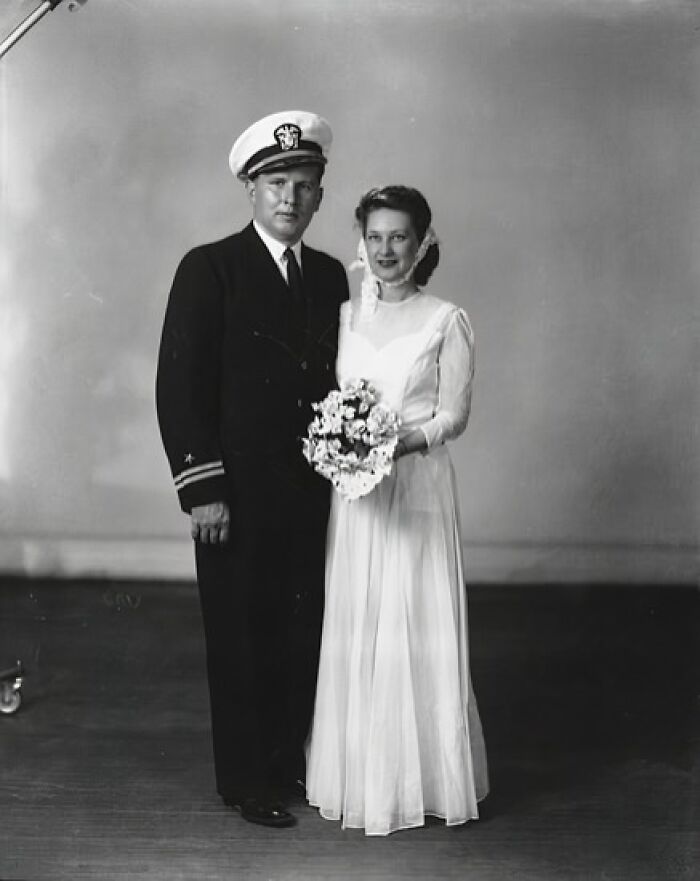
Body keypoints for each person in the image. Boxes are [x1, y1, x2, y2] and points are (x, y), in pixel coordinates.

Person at [156, 110, 349, 828]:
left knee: (302, 630)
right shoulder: (211, 268)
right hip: (234, 494)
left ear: (321, 195)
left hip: (314, 493)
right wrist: (203, 489)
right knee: (241, 634)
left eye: (303, 184)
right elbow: (180, 386)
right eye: (275, 182)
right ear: (249, 188)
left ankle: (285, 762)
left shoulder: (331, 276)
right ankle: (245, 780)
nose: (290, 197)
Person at [305, 185, 489, 836]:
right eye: (375, 237)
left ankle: (423, 782)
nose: (386, 250)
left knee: (414, 618)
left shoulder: (447, 318)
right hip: (357, 496)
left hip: (415, 489)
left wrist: (394, 445)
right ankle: (362, 775)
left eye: (400, 237)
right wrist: (350, 450)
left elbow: (453, 415)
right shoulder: (346, 316)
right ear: (362, 241)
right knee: (360, 618)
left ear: (423, 242)